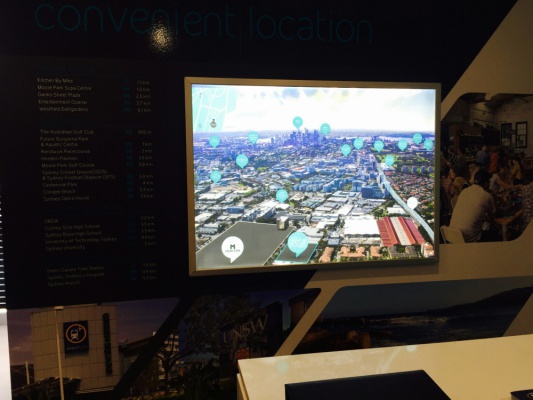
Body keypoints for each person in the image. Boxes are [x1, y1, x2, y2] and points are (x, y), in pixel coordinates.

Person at [449, 169, 496, 242]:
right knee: (494, 231)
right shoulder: (486, 196)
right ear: (486, 183)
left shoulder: (465, 191)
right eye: (489, 182)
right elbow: (493, 216)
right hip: (468, 239)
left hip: (451, 236)